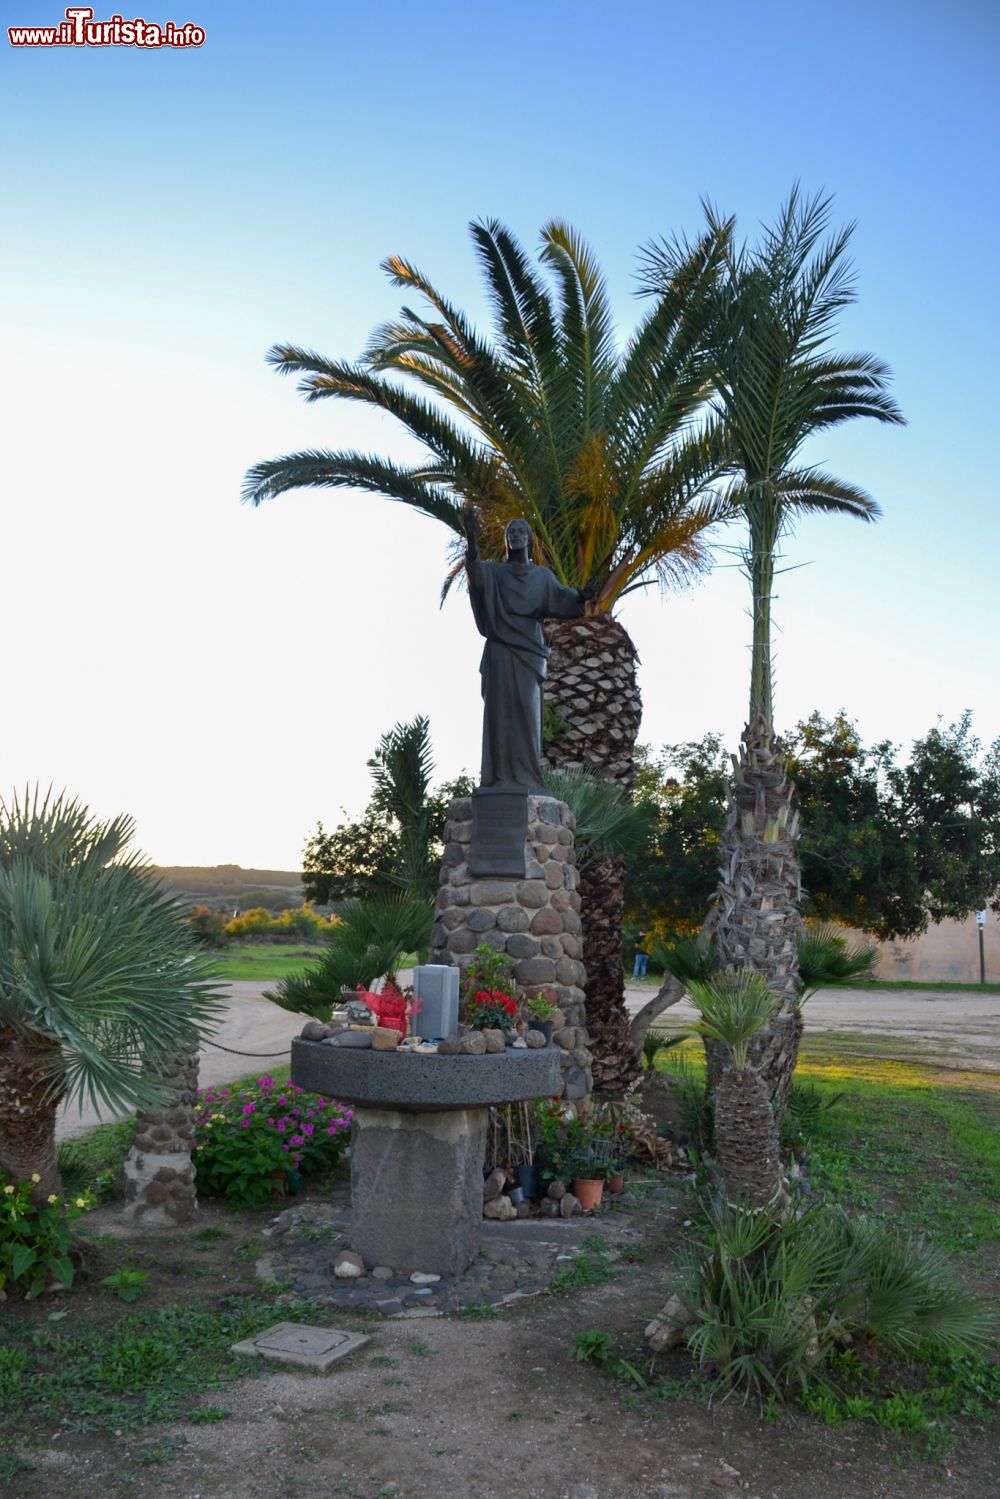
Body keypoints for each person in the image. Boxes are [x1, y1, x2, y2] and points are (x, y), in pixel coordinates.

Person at [465, 513, 594, 790]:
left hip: (529, 653)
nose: (516, 535)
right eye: (511, 531)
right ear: (506, 539)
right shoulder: (495, 573)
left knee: (526, 711)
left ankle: (526, 779)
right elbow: (475, 573)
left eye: (522, 531)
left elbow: (563, 599)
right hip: (500, 649)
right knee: (499, 714)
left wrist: (582, 596)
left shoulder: (541, 577)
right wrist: (472, 541)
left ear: (530, 539)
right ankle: (498, 779)